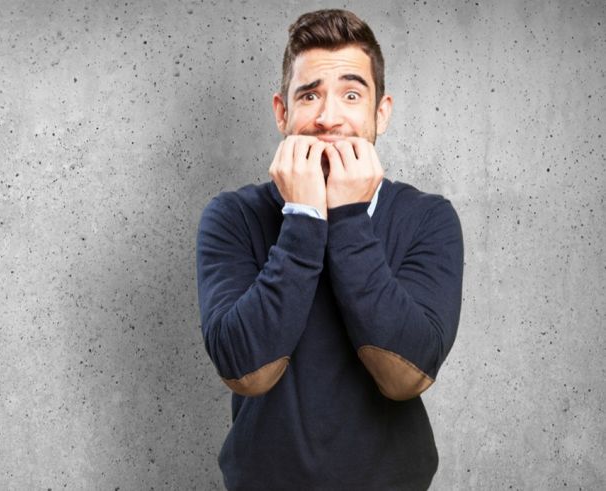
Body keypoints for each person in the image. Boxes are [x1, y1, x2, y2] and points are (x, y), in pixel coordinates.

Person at [195, 9, 464, 489]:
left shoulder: (428, 217)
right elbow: (243, 369)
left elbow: (408, 376)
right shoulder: (232, 216)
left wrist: (346, 218)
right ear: (283, 112)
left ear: (380, 112)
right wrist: (304, 216)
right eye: (310, 94)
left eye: (352, 94)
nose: (327, 117)